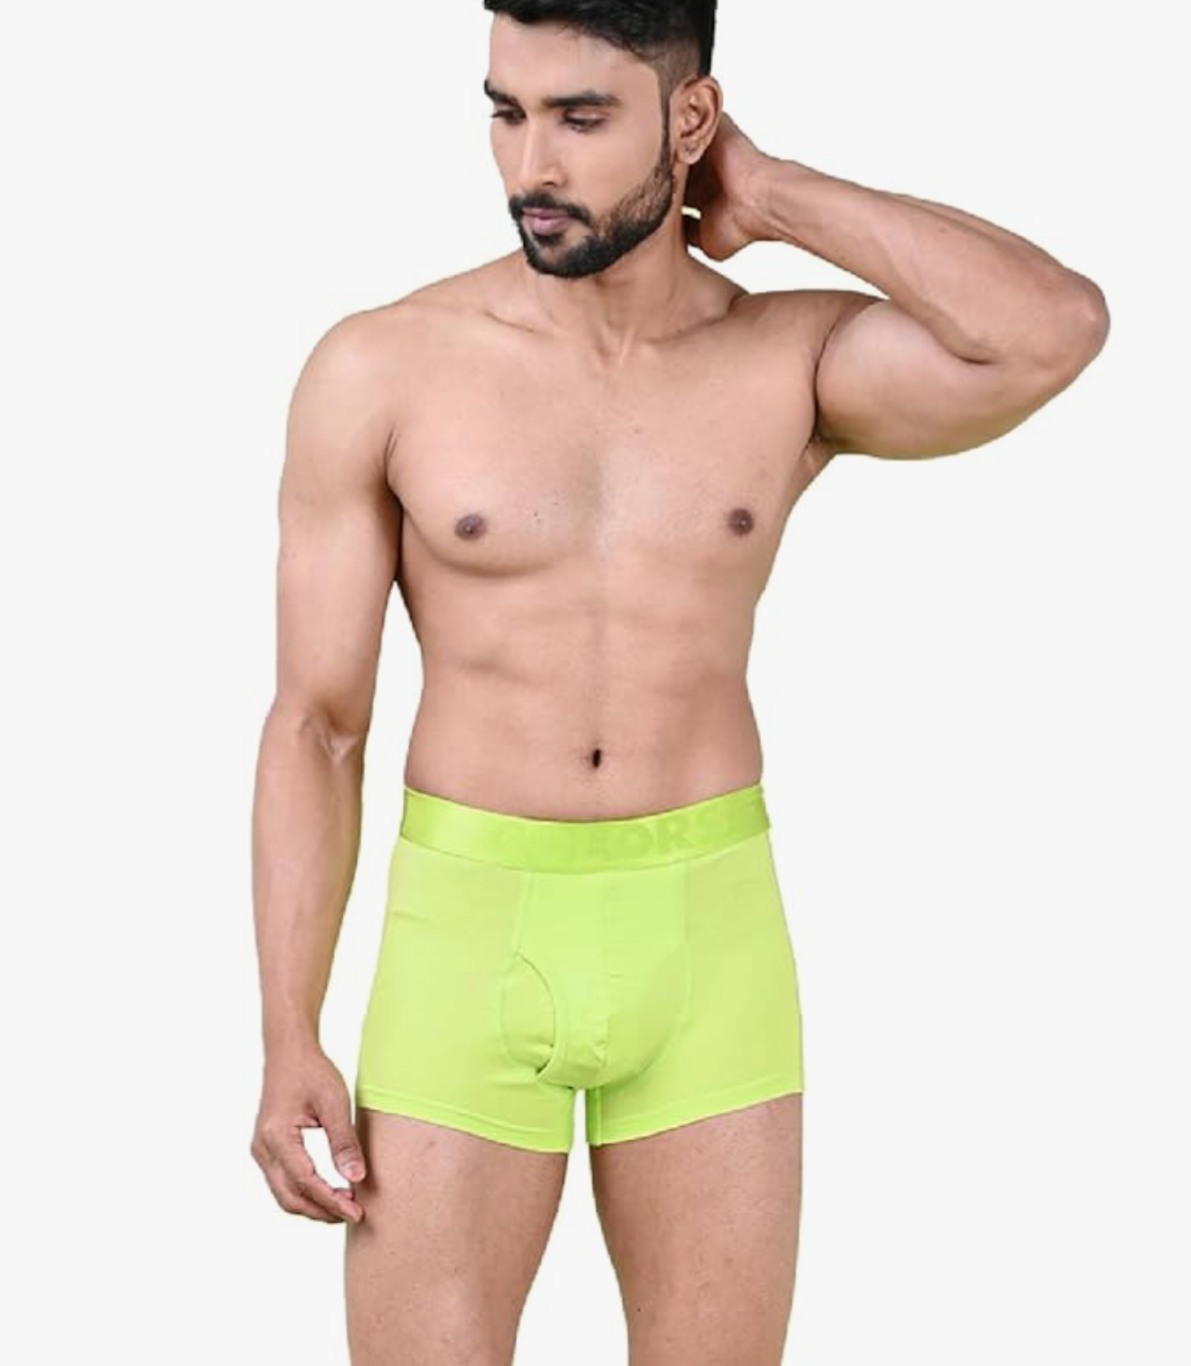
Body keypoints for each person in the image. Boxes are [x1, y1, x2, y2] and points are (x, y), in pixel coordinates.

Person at [249, 2, 1110, 1362]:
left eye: (582, 118)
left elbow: (1051, 328)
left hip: (708, 935)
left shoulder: (785, 359)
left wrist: (771, 192)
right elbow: (317, 725)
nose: (531, 164)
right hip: (467, 935)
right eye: (506, 111)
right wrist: (288, 1029)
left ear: (689, 118)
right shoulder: (383, 367)